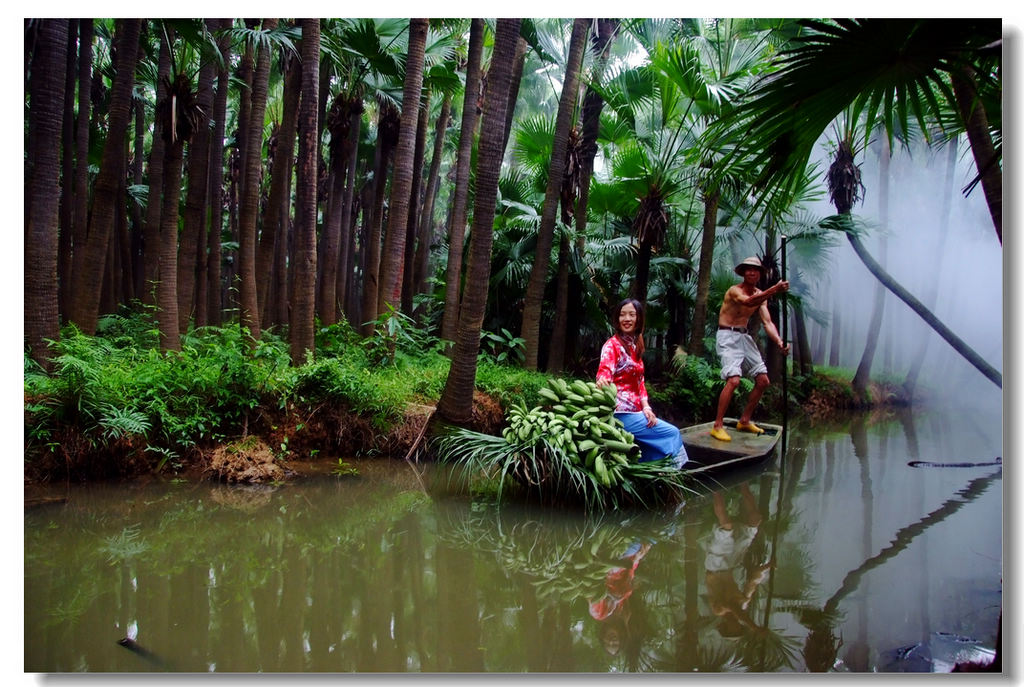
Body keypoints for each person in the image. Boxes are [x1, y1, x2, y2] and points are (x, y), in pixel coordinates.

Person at [596, 298, 687, 467]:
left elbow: (640, 382)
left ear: (639, 319)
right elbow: (605, 373)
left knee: (650, 444)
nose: (627, 319)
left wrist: (646, 407)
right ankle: (670, 473)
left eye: (632, 314)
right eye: (623, 315)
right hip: (620, 413)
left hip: (636, 411)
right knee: (672, 433)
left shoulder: (635, 344)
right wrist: (602, 382)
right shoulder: (612, 346)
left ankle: (653, 471)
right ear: (617, 319)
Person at [710, 256, 789, 442]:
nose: (752, 272)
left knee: (763, 381)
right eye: (748, 269)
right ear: (744, 273)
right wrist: (775, 289)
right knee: (734, 380)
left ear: (760, 273)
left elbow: (767, 322)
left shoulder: (761, 295)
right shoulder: (734, 291)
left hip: (744, 337)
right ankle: (717, 426)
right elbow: (748, 302)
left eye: (755, 270)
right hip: (727, 336)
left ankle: (744, 421)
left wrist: (779, 342)